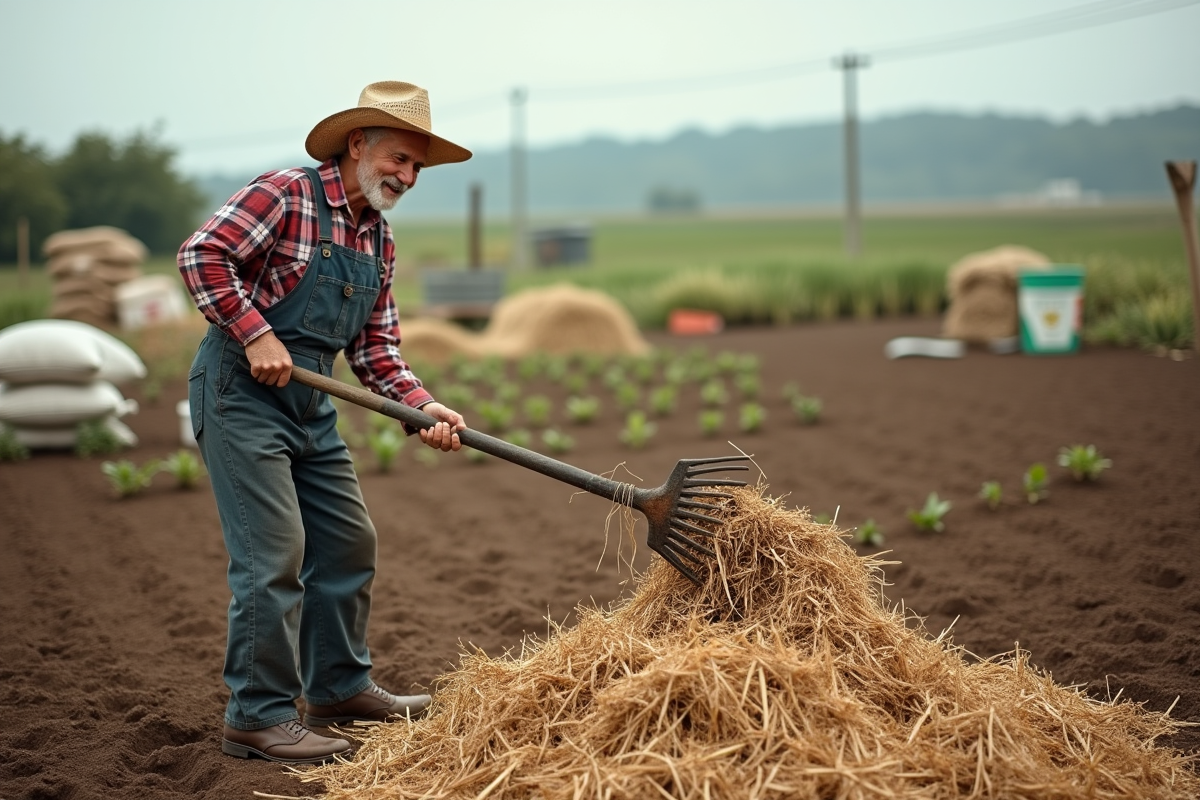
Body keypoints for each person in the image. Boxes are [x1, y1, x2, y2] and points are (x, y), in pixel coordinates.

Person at [178, 81, 470, 765]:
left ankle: (338, 688)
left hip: (311, 400)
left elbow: (374, 350)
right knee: (272, 554)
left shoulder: (379, 241)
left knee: (347, 543)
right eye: (399, 158)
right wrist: (254, 334)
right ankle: (258, 715)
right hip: (240, 392)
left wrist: (420, 406)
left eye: (418, 168)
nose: (407, 176)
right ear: (358, 143)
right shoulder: (285, 194)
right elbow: (202, 255)